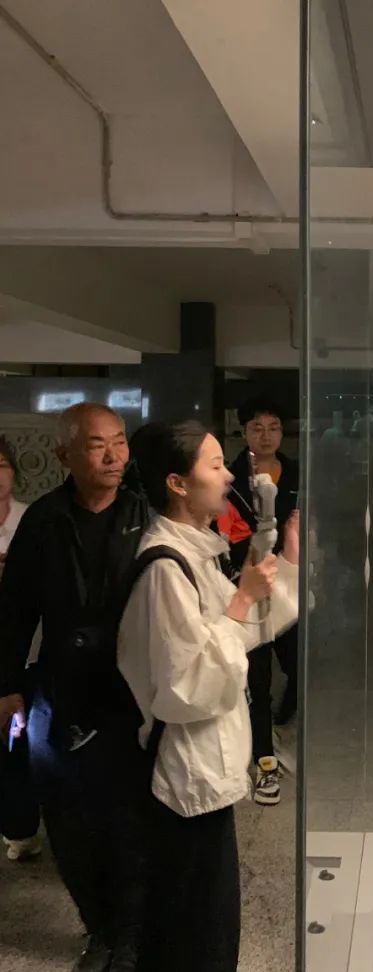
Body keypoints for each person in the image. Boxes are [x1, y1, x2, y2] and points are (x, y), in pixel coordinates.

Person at [118, 420, 299, 972]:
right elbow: (186, 687)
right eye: (216, 465)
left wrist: (287, 561)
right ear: (176, 483)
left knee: (210, 919)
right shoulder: (165, 568)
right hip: (185, 776)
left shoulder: (195, 554)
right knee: (195, 928)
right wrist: (241, 601)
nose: (230, 476)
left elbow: (249, 632)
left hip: (207, 771)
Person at [0, 403, 149, 972]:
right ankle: (99, 929)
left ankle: (130, 935)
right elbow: (14, 612)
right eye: (96, 444)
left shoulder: (145, 515)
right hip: (61, 686)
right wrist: (7, 686)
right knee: (70, 818)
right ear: (65, 454)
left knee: (130, 818)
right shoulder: (44, 520)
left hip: (132, 688)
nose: (113, 455)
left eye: (120, 441)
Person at [217, 398, 299, 806]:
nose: (266, 436)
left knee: (300, 665)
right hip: (246, 586)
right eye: (257, 427)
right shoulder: (229, 478)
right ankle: (264, 761)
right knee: (257, 676)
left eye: (273, 427)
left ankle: (285, 726)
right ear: (244, 431)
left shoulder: (297, 472)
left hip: (291, 585)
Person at [0, 435, 42, 862]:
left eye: (1, 465)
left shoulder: (33, 519)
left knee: (16, 739)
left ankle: (22, 827)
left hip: (25, 650)